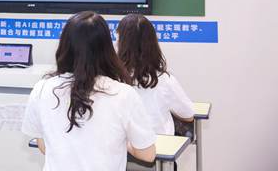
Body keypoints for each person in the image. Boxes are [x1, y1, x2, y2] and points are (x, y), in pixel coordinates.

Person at [22, 11, 156, 171]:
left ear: (65, 45)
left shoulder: (42, 88)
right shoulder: (124, 94)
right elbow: (147, 155)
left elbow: (44, 146)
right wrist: (123, 142)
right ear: (107, 48)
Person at [116, 14, 195, 135]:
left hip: (123, 144)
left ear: (121, 43)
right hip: (160, 143)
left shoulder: (111, 79)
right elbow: (188, 115)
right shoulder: (164, 80)